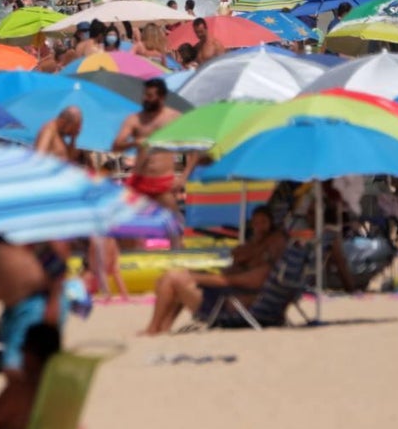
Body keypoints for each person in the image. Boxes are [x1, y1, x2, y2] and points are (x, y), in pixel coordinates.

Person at [142, 207, 286, 335]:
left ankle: (153, 328)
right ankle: (163, 327)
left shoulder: (265, 270)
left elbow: (227, 280)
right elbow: (236, 256)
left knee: (173, 277)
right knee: (172, 278)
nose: (259, 228)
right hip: (225, 298)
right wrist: (254, 247)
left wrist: (195, 277)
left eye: (263, 223)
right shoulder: (256, 258)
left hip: (227, 306)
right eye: (256, 223)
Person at [0, 239, 68, 373]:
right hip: (16, 306)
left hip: (37, 303)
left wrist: (53, 303)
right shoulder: (1, 235)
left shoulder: (29, 235)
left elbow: (57, 272)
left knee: (19, 361)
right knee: (15, 361)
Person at [112, 79, 182, 214]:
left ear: (161, 97)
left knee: (174, 224)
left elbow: (194, 148)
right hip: (139, 180)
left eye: (150, 96)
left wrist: (182, 177)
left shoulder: (174, 118)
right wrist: (134, 142)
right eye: (144, 95)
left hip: (163, 181)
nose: (145, 99)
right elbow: (116, 146)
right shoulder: (135, 119)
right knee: (127, 224)